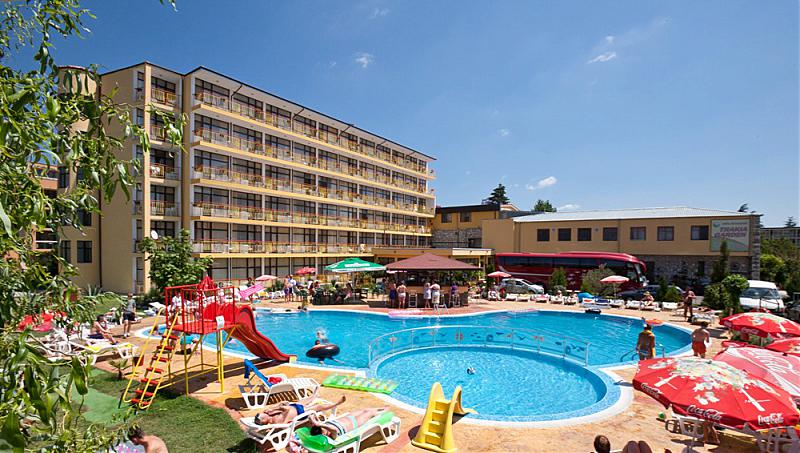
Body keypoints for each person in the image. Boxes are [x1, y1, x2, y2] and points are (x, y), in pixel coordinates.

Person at [254, 395, 346, 425]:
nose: (264, 413)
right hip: (300, 413)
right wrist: (276, 408)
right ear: (264, 420)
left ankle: (314, 395)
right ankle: (337, 404)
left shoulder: (271, 416)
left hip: (294, 408)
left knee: (301, 402)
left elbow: (284, 407)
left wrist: (273, 408)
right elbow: (287, 410)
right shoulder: (276, 420)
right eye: (262, 415)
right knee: (318, 407)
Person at [308, 407, 389, 439]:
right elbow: (335, 430)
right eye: (323, 430)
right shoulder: (331, 435)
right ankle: (385, 411)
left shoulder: (322, 428)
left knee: (365, 409)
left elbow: (314, 422)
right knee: (370, 413)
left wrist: (313, 420)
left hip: (348, 417)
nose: (324, 428)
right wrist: (320, 424)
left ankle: (381, 408)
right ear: (323, 434)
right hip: (355, 422)